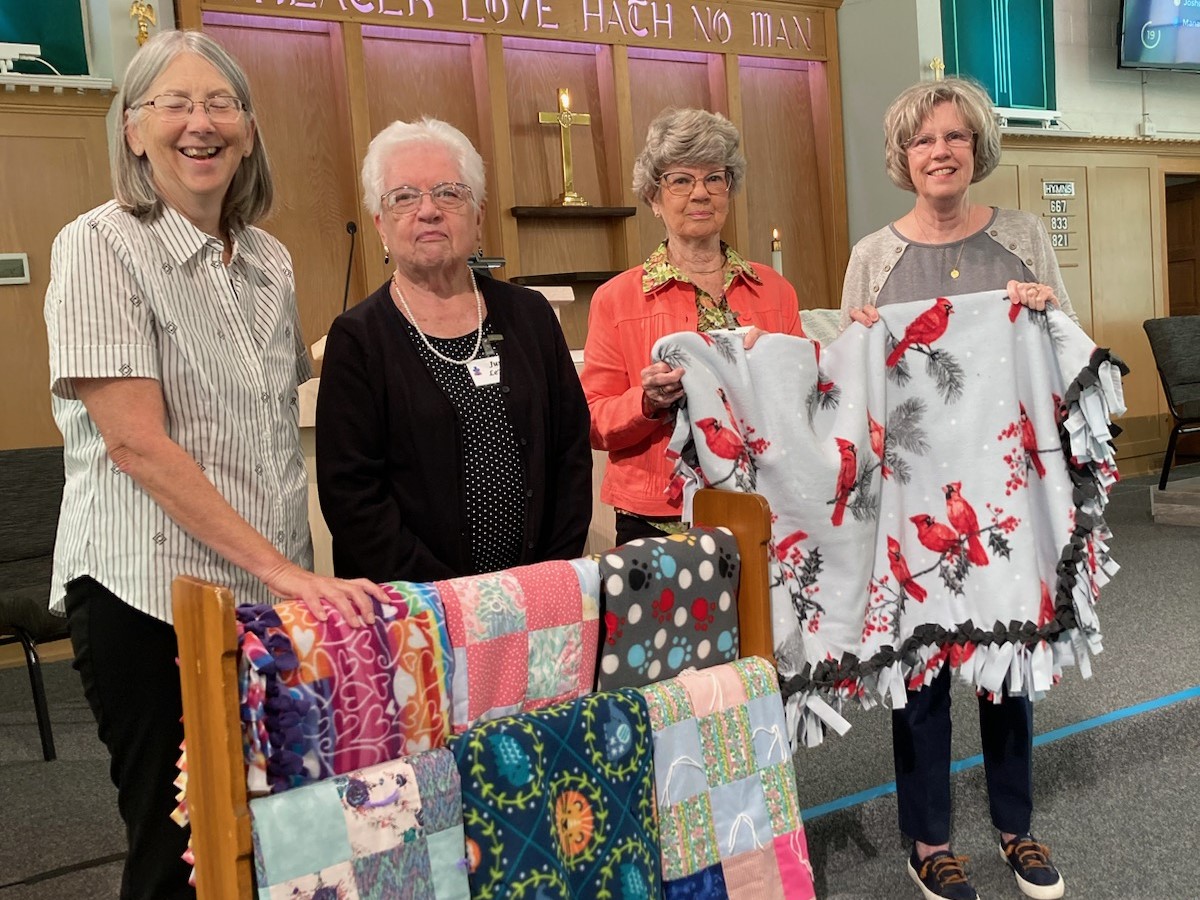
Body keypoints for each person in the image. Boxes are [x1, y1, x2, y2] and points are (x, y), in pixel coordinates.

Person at [43, 30, 385, 900]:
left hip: (262, 602)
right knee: (178, 853)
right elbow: (136, 443)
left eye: (220, 104)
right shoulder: (97, 245)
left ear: (249, 128)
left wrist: (285, 576)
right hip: (149, 596)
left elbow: (269, 435)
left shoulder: (268, 260)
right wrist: (276, 566)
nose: (201, 124)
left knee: (272, 836)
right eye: (174, 103)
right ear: (130, 129)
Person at [839, 78, 1074, 900]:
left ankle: (1018, 827)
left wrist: (1043, 309)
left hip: (1001, 489)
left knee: (1007, 657)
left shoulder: (1022, 237)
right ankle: (929, 841)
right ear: (903, 158)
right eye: (924, 140)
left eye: (956, 137)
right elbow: (849, 385)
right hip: (911, 495)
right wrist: (859, 340)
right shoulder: (873, 256)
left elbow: (1066, 346)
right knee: (923, 669)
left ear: (977, 150)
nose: (941, 151)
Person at [316, 118, 591, 583]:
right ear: (381, 225)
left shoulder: (530, 315)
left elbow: (570, 455)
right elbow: (352, 498)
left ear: (478, 215)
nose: (428, 211)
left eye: (449, 193)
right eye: (404, 197)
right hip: (418, 615)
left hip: (539, 598)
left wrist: (550, 575)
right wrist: (451, 600)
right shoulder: (358, 339)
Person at [581, 107, 804, 546]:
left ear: (729, 188)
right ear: (653, 197)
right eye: (680, 180)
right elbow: (592, 421)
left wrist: (785, 368)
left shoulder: (775, 291)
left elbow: (807, 398)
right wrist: (646, 401)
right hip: (656, 520)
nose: (700, 193)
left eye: (714, 178)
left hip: (764, 507)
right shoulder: (616, 298)